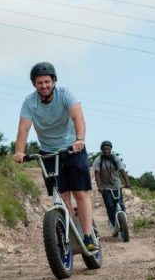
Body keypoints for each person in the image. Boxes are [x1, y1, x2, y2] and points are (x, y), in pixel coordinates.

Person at [12, 62, 98, 251]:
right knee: (62, 197)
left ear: (53, 81)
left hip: (73, 148)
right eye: (39, 83)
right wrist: (19, 151)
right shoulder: (29, 102)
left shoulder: (65, 94)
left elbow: (78, 118)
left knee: (80, 193)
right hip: (48, 153)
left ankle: (88, 236)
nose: (44, 86)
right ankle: (73, 235)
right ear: (34, 84)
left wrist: (80, 139)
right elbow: (23, 128)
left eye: (47, 82)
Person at [92, 140, 130, 234]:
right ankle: (113, 224)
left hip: (117, 185)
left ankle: (123, 222)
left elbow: (122, 171)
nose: (106, 151)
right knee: (110, 206)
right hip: (105, 187)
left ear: (111, 149)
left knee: (120, 204)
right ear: (101, 150)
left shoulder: (115, 158)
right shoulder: (98, 160)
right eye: (104, 149)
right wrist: (99, 187)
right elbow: (97, 174)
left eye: (108, 149)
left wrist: (127, 183)